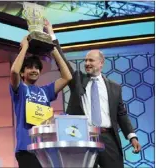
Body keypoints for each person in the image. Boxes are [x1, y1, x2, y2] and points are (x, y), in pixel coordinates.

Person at [46, 23, 141, 168]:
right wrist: (52, 35)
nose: (87, 63)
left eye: (91, 60)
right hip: (83, 136)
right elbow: (62, 63)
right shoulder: (78, 79)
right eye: (85, 60)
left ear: (101, 63)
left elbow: (121, 114)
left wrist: (132, 137)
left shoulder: (115, 87)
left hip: (108, 137)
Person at [9, 31, 72, 167]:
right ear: (22, 72)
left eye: (37, 68)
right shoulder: (20, 88)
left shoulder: (45, 91)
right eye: (30, 67)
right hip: (27, 148)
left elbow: (67, 77)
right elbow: (14, 72)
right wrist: (25, 47)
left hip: (45, 148)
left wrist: (53, 49)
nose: (34, 70)